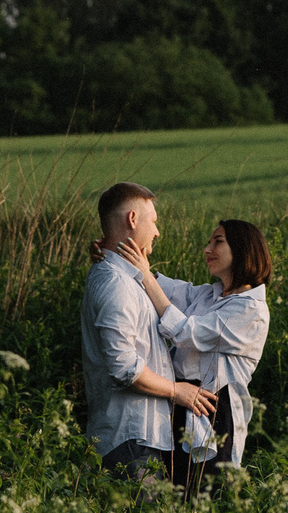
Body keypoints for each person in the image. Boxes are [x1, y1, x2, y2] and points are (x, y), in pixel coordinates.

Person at [98, 217, 272, 481]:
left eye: (218, 241)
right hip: (181, 398)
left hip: (214, 408)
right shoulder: (209, 295)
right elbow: (162, 286)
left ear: (243, 249)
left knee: (204, 494)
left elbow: (184, 332)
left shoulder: (251, 310)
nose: (207, 249)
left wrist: (143, 273)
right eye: (209, 241)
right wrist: (113, 255)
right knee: (176, 489)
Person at [78, 181, 217, 479]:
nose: (157, 231)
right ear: (132, 219)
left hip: (139, 438)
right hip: (129, 439)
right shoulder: (116, 283)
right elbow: (124, 368)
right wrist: (177, 391)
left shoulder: (127, 279)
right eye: (153, 221)